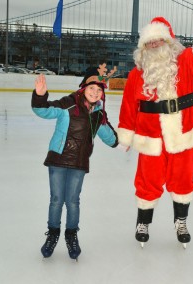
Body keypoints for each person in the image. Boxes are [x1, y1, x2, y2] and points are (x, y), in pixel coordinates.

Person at [117, 15, 193, 248]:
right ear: (143, 47)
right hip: (150, 135)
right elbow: (128, 106)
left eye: (159, 41)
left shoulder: (184, 63)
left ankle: (181, 222)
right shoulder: (136, 74)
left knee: (183, 177)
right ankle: (142, 223)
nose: (154, 45)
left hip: (183, 132)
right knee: (147, 180)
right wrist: (126, 134)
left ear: (169, 42)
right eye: (149, 42)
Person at [31, 64, 118, 260]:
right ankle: (52, 235)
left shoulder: (97, 115)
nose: (95, 93)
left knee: (72, 201)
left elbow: (107, 135)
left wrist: (121, 143)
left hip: (79, 163)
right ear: (83, 88)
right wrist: (40, 96)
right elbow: (43, 111)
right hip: (58, 159)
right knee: (56, 200)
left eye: (98, 90)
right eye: (91, 88)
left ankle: (71, 235)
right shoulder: (68, 104)